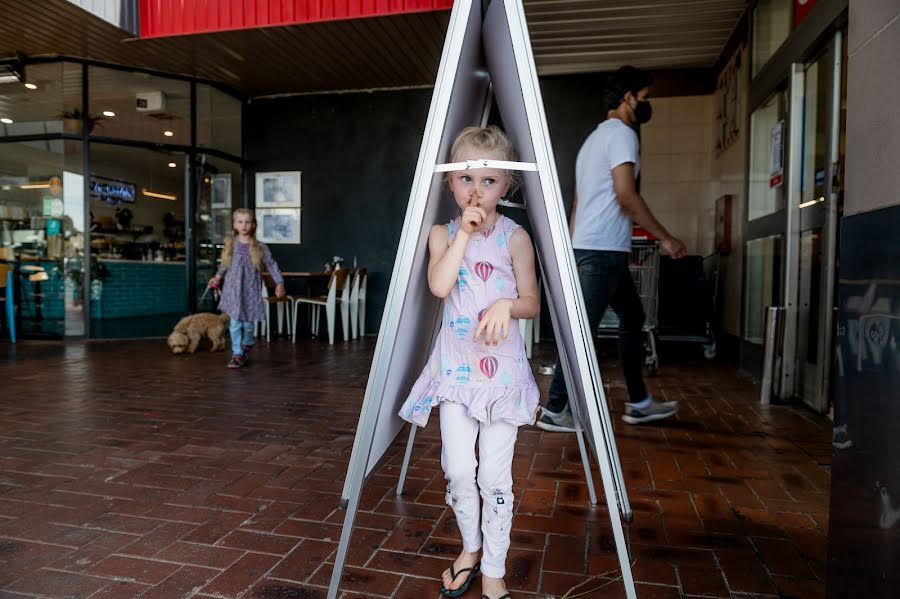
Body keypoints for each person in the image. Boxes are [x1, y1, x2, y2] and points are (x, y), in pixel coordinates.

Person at [398, 126, 540, 599]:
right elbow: (440, 286)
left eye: (489, 181)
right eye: (466, 180)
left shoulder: (516, 238)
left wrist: (506, 306)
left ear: (507, 186)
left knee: (494, 477)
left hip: (502, 377)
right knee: (460, 471)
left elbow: (531, 302)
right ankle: (471, 546)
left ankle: (494, 566)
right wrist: (462, 232)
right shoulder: (441, 233)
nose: (476, 191)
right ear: (450, 185)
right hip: (456, 375)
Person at [537, 65, 687, 432]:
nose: (647, 105)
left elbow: (578, 202)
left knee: (632, 319)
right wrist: (666, 237)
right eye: (646, 97)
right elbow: (626, 195)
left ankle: (638, 402)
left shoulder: (593, 141)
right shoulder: (622, 134)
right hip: (602, 250)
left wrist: (570, 251)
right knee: (583, 331)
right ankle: (557, 409)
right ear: (628, 97)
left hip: (595, 248)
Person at [209, 208, 285, 369]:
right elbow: (224, 263)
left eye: (247, 222)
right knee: (235, 322)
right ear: (235, 224)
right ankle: (237, 354)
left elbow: (271, 264)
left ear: (253, 225)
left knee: (248, 324)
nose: (244, 225)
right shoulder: (231, 244)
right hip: (233, 289)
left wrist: (279, 282)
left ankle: (248, 340)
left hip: (250, 289)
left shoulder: (260, 247)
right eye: (240, 222)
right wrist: (217, 276)